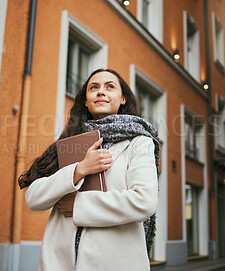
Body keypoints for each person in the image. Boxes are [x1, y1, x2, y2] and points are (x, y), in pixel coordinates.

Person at [18, 69, 160, 271]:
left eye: (110, 87)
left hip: (115, 264)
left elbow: (144, 201)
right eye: (94, 87)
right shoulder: (69, 142)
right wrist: (79, 170)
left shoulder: (140, 142)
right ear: (85, 100)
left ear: (122, 99)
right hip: (58, 263)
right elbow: (33, 198)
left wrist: (78, 204)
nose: (101, 92)